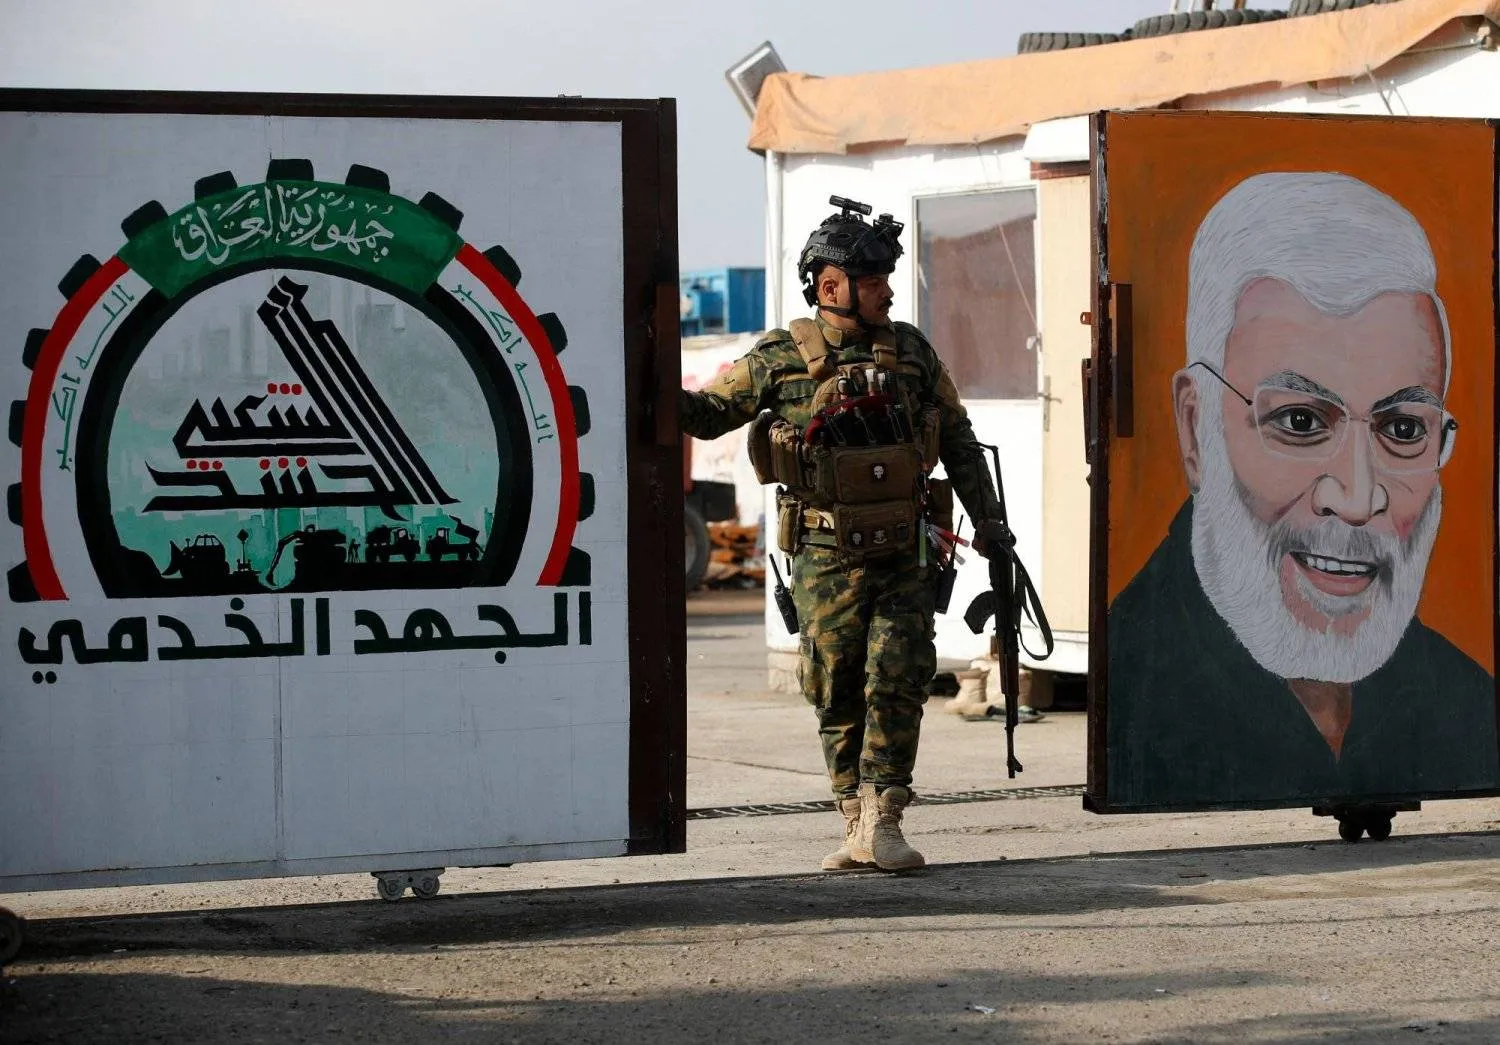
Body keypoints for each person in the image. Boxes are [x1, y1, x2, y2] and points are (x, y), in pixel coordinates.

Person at [1107, 172, 1500, 809]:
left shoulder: (1467, 703)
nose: (1356, 497)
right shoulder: (1131, 682)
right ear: (1196, 427)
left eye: (1403, 429)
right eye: (1299, 422)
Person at [679, 197, 1004, 871]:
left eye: (886, 278)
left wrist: (992, 525)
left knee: (899, 676)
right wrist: (641, 366)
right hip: (824, 557)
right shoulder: (778, 357)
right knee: (833, 685)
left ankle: (885, 815)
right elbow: (709, 416)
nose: (888, 291)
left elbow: (960, 442)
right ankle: (853, 815)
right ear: (831, 287)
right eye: (874, 279)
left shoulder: (911, 352)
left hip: (905, 551)